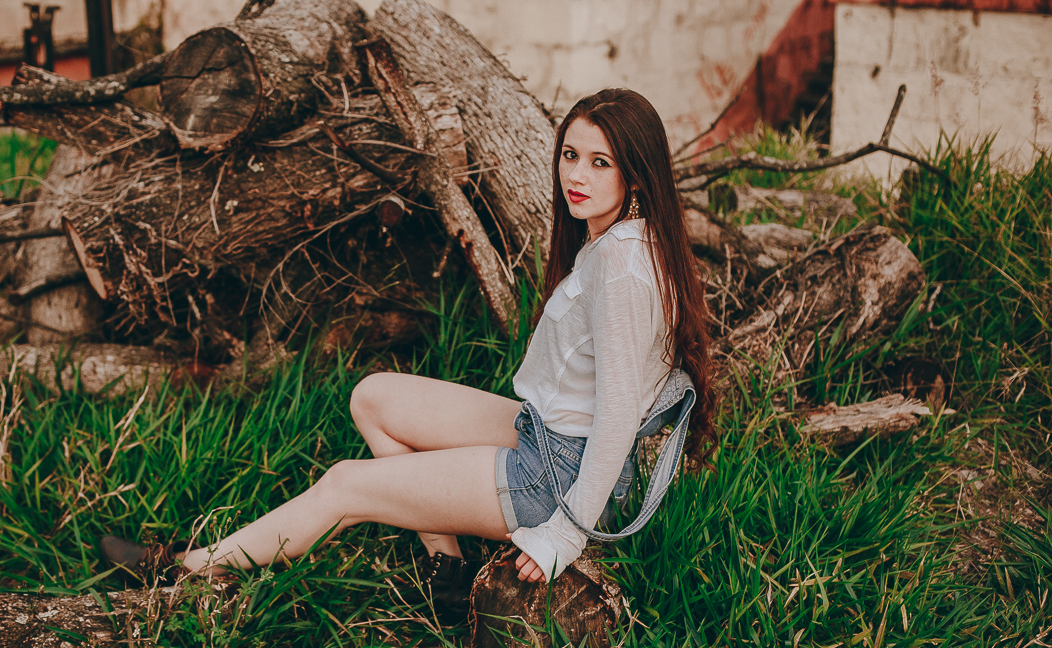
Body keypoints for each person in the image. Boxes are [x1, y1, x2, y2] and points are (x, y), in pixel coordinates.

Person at [100, 88, 717, 619]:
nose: (575, 176)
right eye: (570, 155)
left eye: (599, 162)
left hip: (558, 478)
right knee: (373, 396)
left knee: (345, 486)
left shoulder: (622, 268)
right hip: (545, 435)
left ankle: (188, 567)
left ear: (634, 176)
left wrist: (563, 533)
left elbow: (618, 418)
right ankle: (447, 572)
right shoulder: (619, 241)